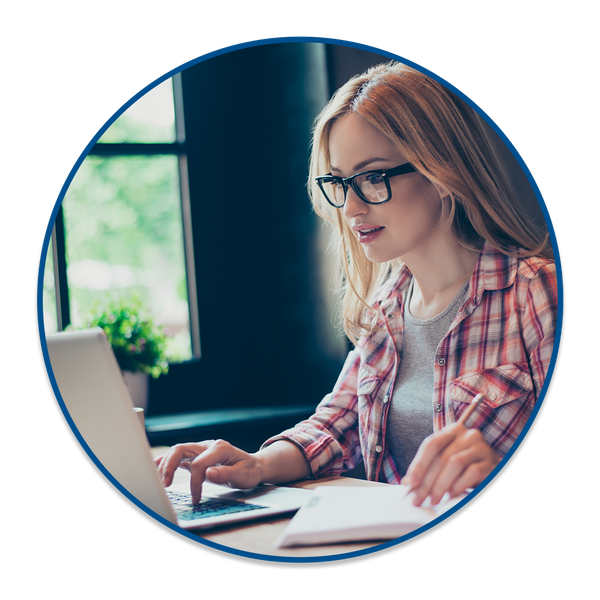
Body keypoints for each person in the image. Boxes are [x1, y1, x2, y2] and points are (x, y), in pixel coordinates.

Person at [155, 61, 557, 508]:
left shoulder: (539, 295)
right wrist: (257, 463)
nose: (349, 207)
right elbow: (336, 424)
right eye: (339, 182)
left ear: (441, 171)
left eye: (372, 177)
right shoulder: (383, 309)